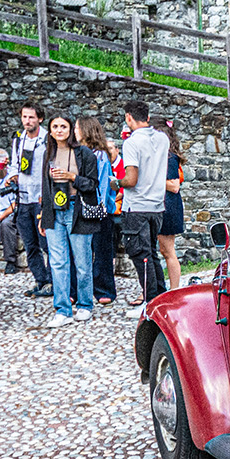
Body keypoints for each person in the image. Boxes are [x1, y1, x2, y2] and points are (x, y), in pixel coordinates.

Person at [38, 112, 100, 327]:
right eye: (55, 127)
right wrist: (42, 215)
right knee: (57, 262)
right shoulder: (48, 153)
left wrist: (72, 177)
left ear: (71, 129)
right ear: (50, 130)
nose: (59, 130)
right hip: (55, 210)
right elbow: (44, 188)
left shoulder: (84, 154)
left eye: (63, 126)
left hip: (77, 210)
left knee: (82, 263)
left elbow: (93, 184)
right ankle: (62, 309)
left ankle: (85, 305)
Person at [119, 100, 169, 306]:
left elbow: (131, 179)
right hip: (157, 206)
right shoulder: (163, 138)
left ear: (128, 117)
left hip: (137, 206)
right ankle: (160, 297)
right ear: (147, 117)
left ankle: (150, 302)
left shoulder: (131, 142)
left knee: (141, 255)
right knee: (152, 254)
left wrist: (115, 183)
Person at [7, 101, 52, 298]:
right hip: (23, 198)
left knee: (47, 244)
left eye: (31, 117)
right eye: (24, 117)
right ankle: (40, 280)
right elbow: (14, 164)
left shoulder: (47, 139)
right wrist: (12, 175)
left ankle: (52, 281)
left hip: (41, 197)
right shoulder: (18, 140)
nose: (27, 121)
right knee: (29, 244)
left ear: (40, 119)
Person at [77, 117, 117, 306]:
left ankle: (104, 288)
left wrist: (97, 207)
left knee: (101, 250)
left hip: (98, 209)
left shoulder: (99, 155)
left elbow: (101, 184)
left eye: (77, 128)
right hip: (82, 207)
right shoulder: (77, 153)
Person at [158, 122, 186, 291]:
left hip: (168, 207)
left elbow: (174, 186)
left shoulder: (169, 157)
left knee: (168, 251)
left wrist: (150, 179)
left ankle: (174, 289)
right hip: (162, 205)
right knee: (163, 250)